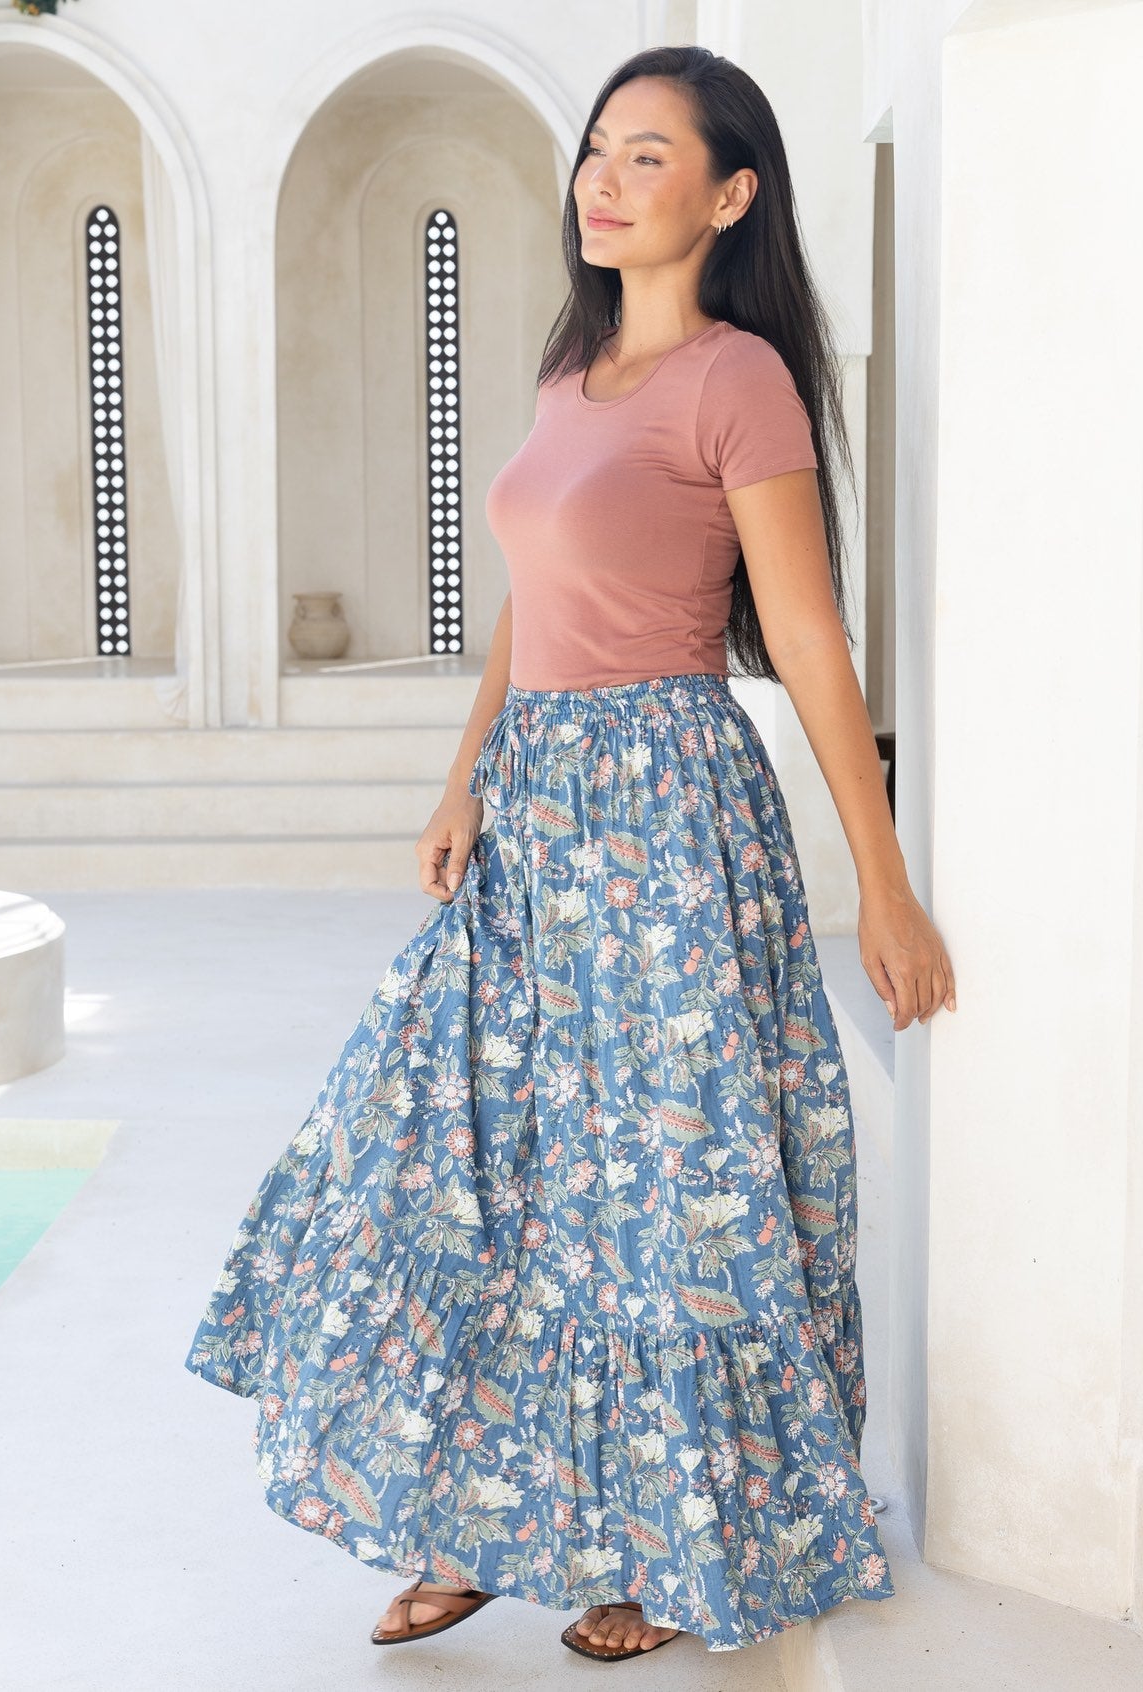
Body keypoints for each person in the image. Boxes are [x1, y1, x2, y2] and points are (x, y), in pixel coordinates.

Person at [184, 43, 955, 1663]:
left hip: (667, 816)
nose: (604, 180)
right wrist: (461, 777)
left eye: (649, 157)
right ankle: (479, 1517)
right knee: (468, 1168)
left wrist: (881, 880)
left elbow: (808, 642)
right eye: (599, 150)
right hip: (535, 809)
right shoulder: (568, 376)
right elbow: (529, 610)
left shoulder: (734, 378)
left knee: (664, 1202)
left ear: (732, 196)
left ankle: (660, 1550)